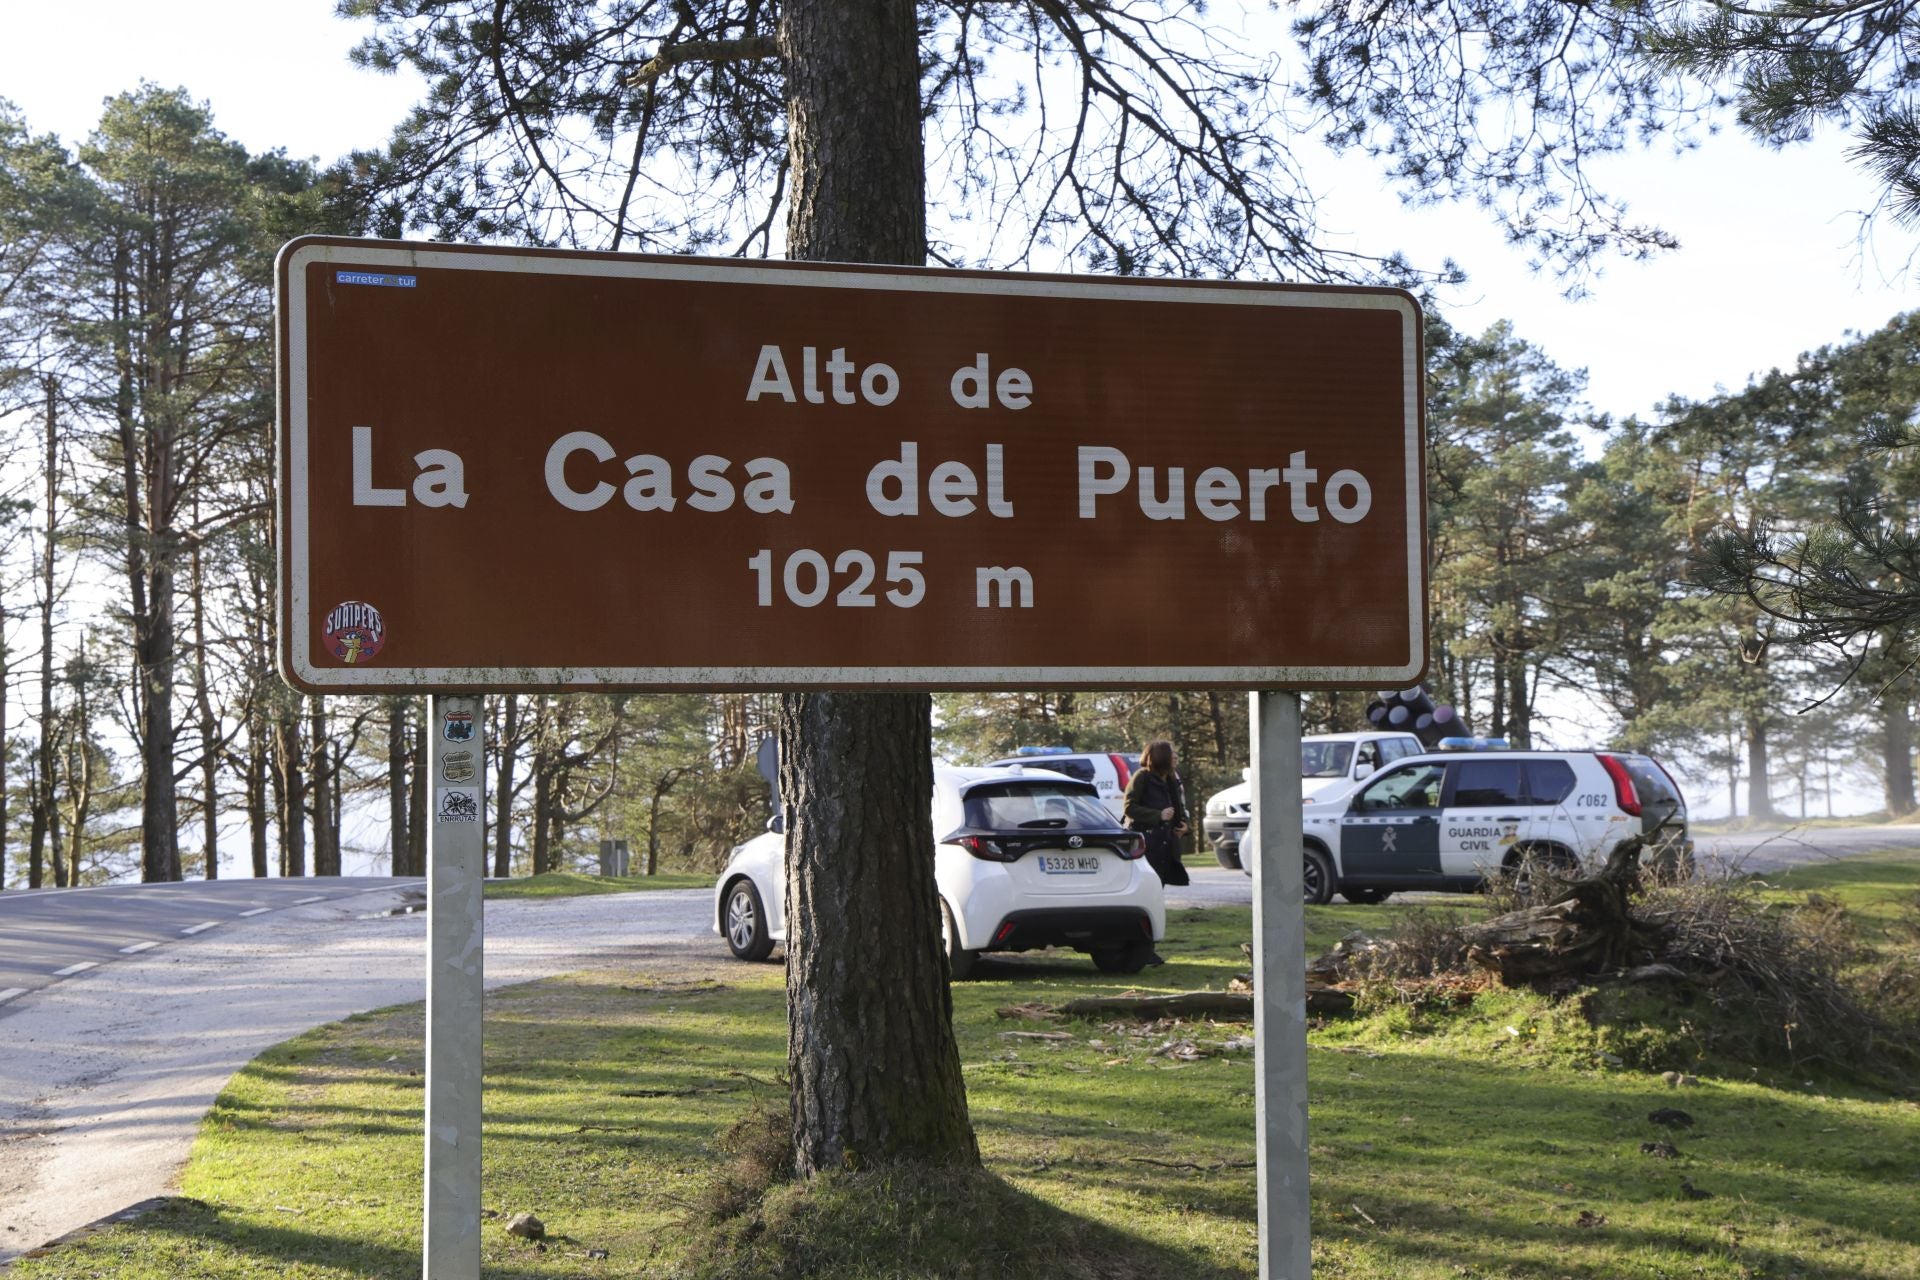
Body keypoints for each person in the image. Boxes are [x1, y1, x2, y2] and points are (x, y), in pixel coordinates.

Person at [1123, 739, 1190, 888]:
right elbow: (1129, 807)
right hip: (1148, 844)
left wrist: (1185, 827)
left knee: (1160, 885)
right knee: (1148, 886)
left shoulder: (1172, 779)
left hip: (1167, 845)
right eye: (1170, 752)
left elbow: (1180, 807)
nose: (1175, 756)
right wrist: (1158, 815)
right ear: (1160, 756)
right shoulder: (1142, 777)